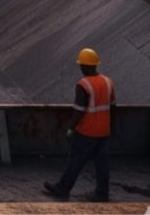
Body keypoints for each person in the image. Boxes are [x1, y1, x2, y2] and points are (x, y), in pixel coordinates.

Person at [44, 48, 116, 202]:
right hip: (104, 132)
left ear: (85, 66)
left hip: (87, 132)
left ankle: (63, 189)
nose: (81, 68)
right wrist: (111, 127)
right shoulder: (107, 81)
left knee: (75, 160)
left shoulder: (83, 84)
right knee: (102, 164)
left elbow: (79, 111)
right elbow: (113, 107)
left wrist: (71, 129)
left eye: (81, 65)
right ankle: (102, 193)